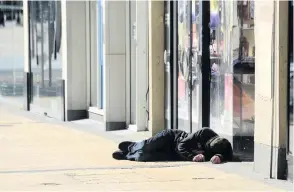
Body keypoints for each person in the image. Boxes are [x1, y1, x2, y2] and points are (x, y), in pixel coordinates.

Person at [112, 127, 233, 164]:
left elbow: (229, 154)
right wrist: (192, 157)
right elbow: (181, 146)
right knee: (148, 147)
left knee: (145, 157)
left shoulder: (223, 146)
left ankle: (127, 156)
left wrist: (220, 157)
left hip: (173, 154)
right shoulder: (204, 133)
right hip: (171, 139)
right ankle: (132, 147)